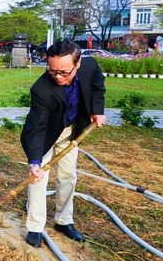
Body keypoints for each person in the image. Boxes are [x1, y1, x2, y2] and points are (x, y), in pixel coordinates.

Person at [21, 40, 106, 248]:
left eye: (64, 72)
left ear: (77, 65)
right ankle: (34, 227)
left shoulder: (90, 66)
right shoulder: (41, 89)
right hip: (47, 135)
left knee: (68, 176)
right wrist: (34, 162)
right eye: (53, 71)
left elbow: (97, 86)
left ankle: (63, 221)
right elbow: (37, 127)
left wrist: (98, 110)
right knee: (38, 179)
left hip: (72, 131)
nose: (58, 76)